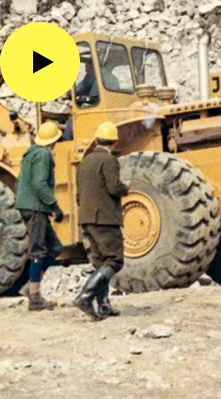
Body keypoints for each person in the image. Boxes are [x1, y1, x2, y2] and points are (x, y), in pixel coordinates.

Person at [73, 121, 129, 320]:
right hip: (104, 219)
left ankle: (103, 305)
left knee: (100, 263)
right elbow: (114, 188)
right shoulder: (110, 161)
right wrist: (126, 187)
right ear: (114, 142)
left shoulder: (85, 162)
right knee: (114, 260)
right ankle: (85, 297)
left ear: (96, 140)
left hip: (86, 218)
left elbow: (79, 195)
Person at [13, 121, 65, 311]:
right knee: (38, 250)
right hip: (36, 208)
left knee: (55, 247)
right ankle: (35, 298)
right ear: (54, 141)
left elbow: (19, 182)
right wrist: (54, 206)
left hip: (29, 206)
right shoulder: (43, 154)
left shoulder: (30, 154)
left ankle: (30, 286)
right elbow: (39, 183)